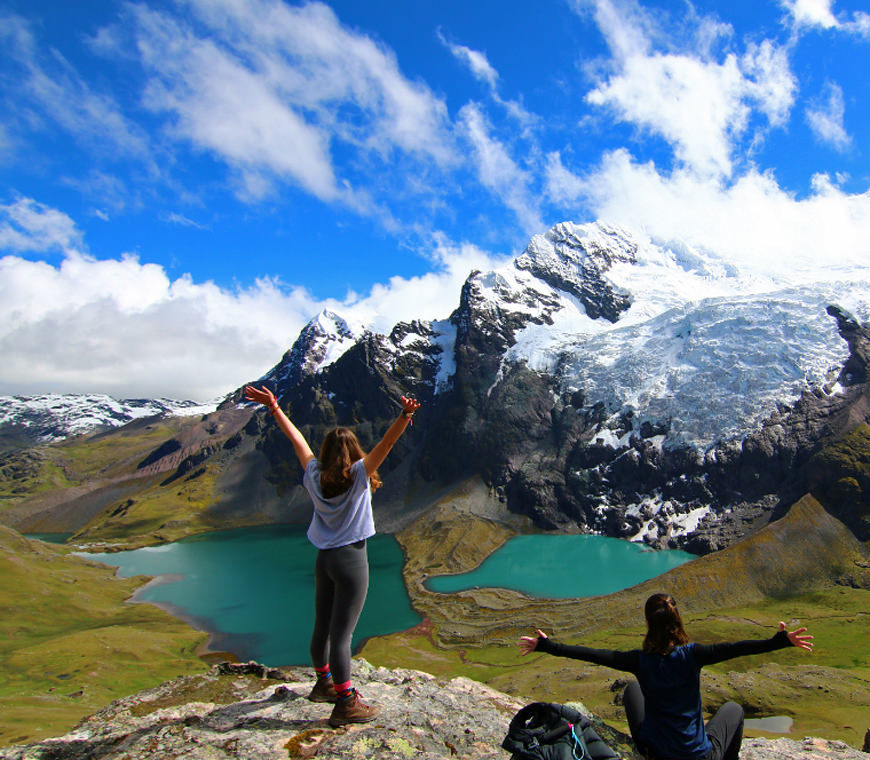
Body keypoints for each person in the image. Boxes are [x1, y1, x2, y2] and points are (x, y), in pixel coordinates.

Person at [245, 384, 420, 727]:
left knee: (322, 626)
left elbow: (297, 440)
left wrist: (275, 407)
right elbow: (386, 445)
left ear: (324, 451)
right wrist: (405, 415)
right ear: (354, 452)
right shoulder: (359, 475)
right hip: (351, 559)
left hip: (324, 560)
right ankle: (345, 703)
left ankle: (323, 683)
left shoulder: (313, 473)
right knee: (343, 635)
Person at [518, 593, 814, 760]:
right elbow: (737, 649)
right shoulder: (694, 655)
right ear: (677, 620)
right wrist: (778, 642)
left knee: (633, 690)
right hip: (698, 756)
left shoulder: (639, 661)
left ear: (648, 623)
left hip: (656, 754)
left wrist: (548, 646)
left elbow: (592, 654)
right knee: (734, 710)